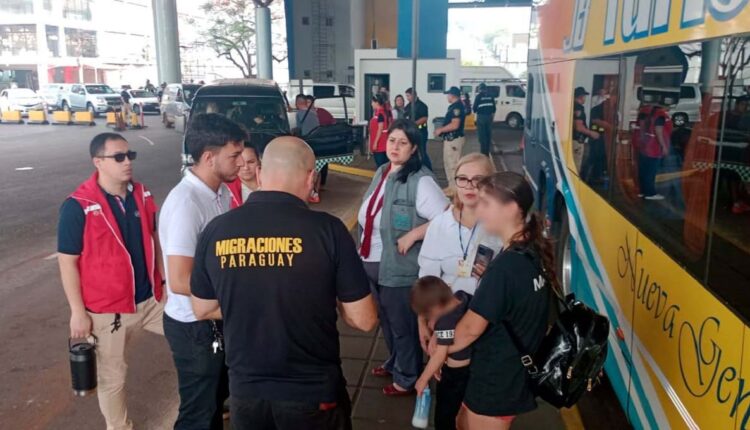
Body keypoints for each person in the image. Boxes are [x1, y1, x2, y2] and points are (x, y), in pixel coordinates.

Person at [189, 136, 378, 430]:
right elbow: (364, 319)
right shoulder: (328, 231)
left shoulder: (217, 230)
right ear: (311, 177)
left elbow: (202, 308)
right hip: (312, 394)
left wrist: (254, 302)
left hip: (246, 393)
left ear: (261, 173)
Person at [58, 132, 164, 430]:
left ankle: (210, 399)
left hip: (152, 300)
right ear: (98, 162)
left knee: (195, 337)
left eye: (130, 155)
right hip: (108, 312)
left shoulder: (142, 194)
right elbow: (67, 262)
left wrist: (165, 282)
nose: (127, 162)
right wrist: (78, 312)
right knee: (112, 379)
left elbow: (153, 239)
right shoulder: (77, 206)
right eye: (118, 157)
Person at [160, 113, 247, 430]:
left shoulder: (220, 192)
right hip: (194, 328)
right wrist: (236, 299)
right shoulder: (187, 202)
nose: (241, 163)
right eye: (234, 155)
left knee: (214, 404)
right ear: (209, 158)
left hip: (214, 319)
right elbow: (181, 280)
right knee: (198, 413)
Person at [448, 172, 555, 430]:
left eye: (486, 203)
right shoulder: (532, 250)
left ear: (512, 208)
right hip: (514, 373)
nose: (479, 209)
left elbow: (470, 329)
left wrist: (440, 349)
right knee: (462, 422)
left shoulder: (505, 268)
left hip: (496, 379)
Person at [359, 119, 449, 396]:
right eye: (392, 140)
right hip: (371, 262)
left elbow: (446, 219)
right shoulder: (383, 171)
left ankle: (407, 377)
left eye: (403, 142)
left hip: (399, 265)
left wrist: (414, 234)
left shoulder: (419, 181)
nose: (395, 146)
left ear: (414, 149)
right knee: (386, 320)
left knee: (402, 326)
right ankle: (396, 360)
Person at [417, 153, 502, 349]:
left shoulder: (499, 226)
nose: (469, 186)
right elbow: (427, 277)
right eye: (462, 179)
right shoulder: (440, 224)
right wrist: (422, 321)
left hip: (485, 321)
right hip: (446, 319)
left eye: (478, 180)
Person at [411, 276, 472, 430]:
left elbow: (440, 354)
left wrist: (423, 379)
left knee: (445, 412)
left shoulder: (445, 321)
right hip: (472, 364)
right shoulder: (462, 296)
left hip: (455, 372)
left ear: (437, 307)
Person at [636, 99, 672, 200]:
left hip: (644, 145)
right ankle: (650, 193)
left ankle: (643, 191)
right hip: (654, 147)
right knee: (651, 171)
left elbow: (642, 127)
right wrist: (664, 146)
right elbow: (658, 131)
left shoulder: (645, 112)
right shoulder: (660, 115)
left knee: (643, 170)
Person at [435, 87, 467, 189]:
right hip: (450, 139)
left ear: (452, 95)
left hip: (454, 140)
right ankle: (451, 187)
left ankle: (455, 189)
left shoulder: (456, 108)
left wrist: (441, 130)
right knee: (448, 163)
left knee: (453, 165)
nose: (447, 97)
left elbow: (455, 125)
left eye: (448, 95)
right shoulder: (454, 106)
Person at [572, 87, 600, 171]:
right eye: (584, 96)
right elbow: (578, 127)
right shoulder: (578, 108)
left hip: (573, 141)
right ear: (581, 96)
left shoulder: (572, 105)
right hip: (577, 142)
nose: (585, 98)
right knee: (576, 167)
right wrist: (591, 133)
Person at [404, 88, 432, 171]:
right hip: (411, 132)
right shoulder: (408, 106)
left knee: (422, 151)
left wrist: (413, 124)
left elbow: (424, 118)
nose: (407, 98)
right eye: (406, 96)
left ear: (413, 95)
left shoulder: (422, 106)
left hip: (421, 132)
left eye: (408, 96)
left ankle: (428, 169)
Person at [227, 142, 261, 208]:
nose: (246, 168)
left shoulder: (272, 183)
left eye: (251, 162)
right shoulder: (226, 189)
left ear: (259, 161)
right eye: (241, 163)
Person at [473, 83, 497, 156]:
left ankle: (483, 154)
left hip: (481, 117)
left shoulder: (478, 96)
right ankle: (487, 151)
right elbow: (494, 109)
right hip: (489, 117)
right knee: (488, 135)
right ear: (486, 89)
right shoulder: (491, 96)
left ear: (480, 89)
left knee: (482, 136)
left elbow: (474, 109)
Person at [369, 93, 391, 167]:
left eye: (372, 102)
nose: (371, 104)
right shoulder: (383, 112)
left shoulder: (380, 114)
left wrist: (375, 143)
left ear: (377, 103)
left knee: (381, 166)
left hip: (380, 144)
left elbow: (380, 129)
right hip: (384, 142)